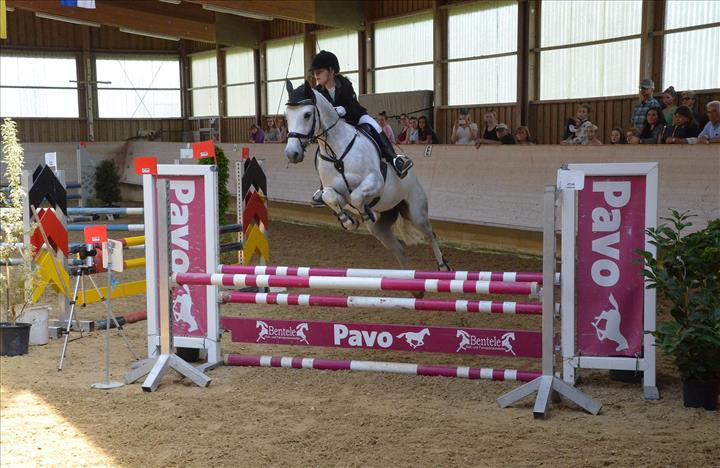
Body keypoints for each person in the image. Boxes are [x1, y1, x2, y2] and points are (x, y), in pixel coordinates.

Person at [310, 50, 413, 179]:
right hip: (334, 128)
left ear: (331, 70)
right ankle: (324, 182)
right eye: (314, 73)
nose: (316, 76)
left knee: (375, 125)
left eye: (319, 72)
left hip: (354, 118)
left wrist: (344, 110)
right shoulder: (316, 93)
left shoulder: (345, 85)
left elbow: (354, 107)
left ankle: (394, 160)